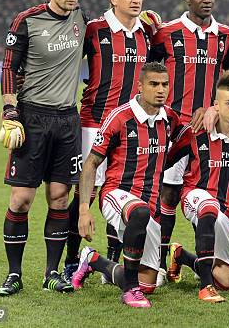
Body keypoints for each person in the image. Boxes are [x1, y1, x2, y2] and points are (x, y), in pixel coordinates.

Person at [62, 0, 162, 283]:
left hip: (131, 126)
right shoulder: (95, 30)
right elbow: (66, 61)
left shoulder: (147, 32)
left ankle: (113, 263)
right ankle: (69, 261)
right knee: (86, 194)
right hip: (94, 123)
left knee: (121, 191)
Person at [148, 0, 229, 283]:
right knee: (168, 196)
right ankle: (159, 264)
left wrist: (219, 107)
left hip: (212, 132)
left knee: (204, 196)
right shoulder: (167, 33)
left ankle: (201, 261)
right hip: (176, 130)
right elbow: (149, 73)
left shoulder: (225, 35)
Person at [0, 0, 87, 296]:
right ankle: (13, 274)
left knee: (60, 197)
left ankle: (51, 273)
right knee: (21, 200)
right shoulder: (27, 20)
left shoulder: (83, 20)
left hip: (67, 120)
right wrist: (9, 109)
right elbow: (9, 66)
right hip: (32, 118)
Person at [71, 62, 182, 308]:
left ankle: (94, 260)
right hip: (116, 194)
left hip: (147, 206)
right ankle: (130, 290)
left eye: (165, 84)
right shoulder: (120, 117)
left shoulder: (170, 119)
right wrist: (83, 209)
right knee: (139, 211)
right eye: (154, 84)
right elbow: (90, 164)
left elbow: (187, 141)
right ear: (140, 86)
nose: (160, 89)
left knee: (149, 284)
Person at [165, 72, 229, 303]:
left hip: (227, 209)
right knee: (208, 205)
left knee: (227, 281)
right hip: (195, 195)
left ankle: (181, 255)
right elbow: (165, 160)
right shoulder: (195, 132)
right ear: (216, 105)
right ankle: (205, 286)